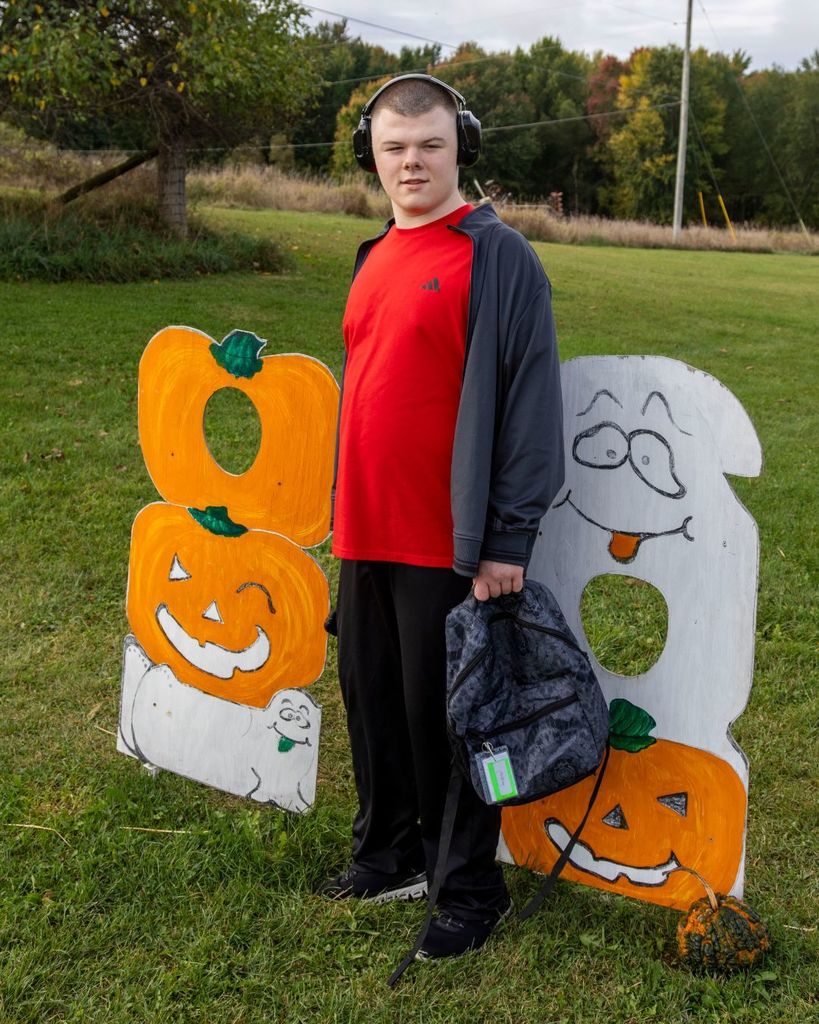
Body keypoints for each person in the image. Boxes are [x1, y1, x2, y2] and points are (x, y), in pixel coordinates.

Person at [321, 74, 565, 961]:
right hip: (363, 530)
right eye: (393, 147)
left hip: (445, 543)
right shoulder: (375, 251)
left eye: (427, 144)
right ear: (371, 155)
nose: (410, 162)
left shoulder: (498, 258)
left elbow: (532, 408)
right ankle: (388, 855)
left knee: (451, 719)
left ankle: (467, 887)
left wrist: (506, 541)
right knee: (373, 702)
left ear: (461, 145)